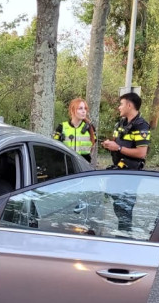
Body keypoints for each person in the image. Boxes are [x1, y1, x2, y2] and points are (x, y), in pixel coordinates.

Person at [100, 92, 151, 233]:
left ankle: (125, 237)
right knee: (118, 208)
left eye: (121, 104)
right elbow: (117, 143)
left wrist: (118, 148)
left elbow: (141, 153)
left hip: (131, 174)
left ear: (129, 105)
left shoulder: (141, 126)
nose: (119, 107)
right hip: (118, 170)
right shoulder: (121, 124)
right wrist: (109, 145)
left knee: (125, 211)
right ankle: (122, 234)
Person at [53, 98, 96, 163]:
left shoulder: (90, 127)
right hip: (66, 164)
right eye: (80, 108)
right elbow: (55, 146)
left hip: (84, 164)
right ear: (72, 110)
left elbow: (93, 146)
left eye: (85, 108)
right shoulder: (62, 127)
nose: (84, 111)